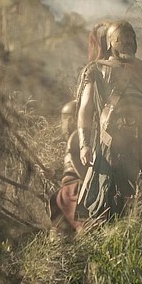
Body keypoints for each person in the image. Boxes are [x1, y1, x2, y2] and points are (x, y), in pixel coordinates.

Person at [75, 20, 142, 225]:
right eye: (121, 39)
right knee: (113, 196)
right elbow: (85, 109)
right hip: (115, 140)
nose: (127, 43)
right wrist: (84, 143)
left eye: (131, 39)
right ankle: (117, 235)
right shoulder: (96, 69)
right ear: (110, 43)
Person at [48, 100, 87, 234]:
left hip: (75, 190)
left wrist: (87, 184)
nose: (62, 125)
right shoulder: (77, 138)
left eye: (63, 120)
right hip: (68, 190)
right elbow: (70, 171)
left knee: (83, 228)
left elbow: (77, 167)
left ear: (71, 120)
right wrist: (54, 174)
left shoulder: (77, 137)